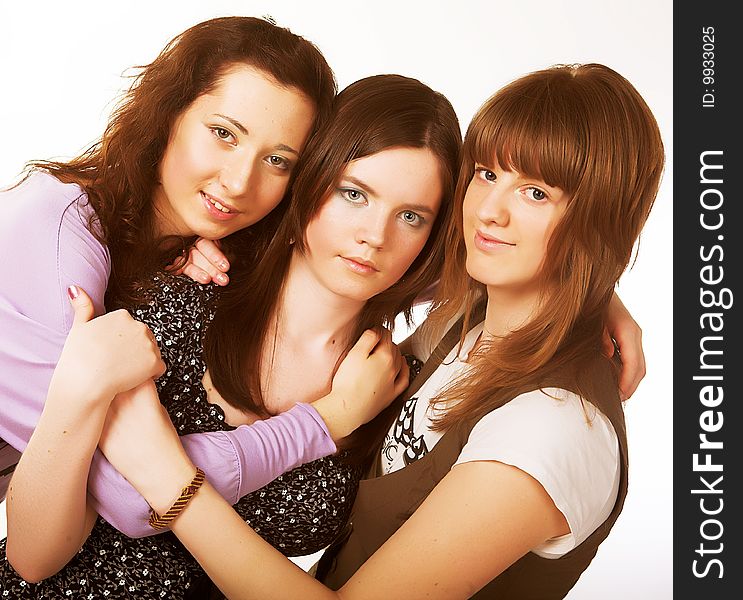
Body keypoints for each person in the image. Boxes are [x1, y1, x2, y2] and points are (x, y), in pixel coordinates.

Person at [94, 63, 664, 599]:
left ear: (600, 221)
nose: (490, 210)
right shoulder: (463, 319)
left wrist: (174, 482)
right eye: (488, 174)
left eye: (536, 193)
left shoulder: (552, 428)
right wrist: (601, 297)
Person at [1, 72, 462, 598]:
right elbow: (75, 527)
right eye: (354, 194)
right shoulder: (178, 295)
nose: (374, 236)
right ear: (310, 181)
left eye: (411, 216)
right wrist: (326, 421)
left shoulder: (391, 389)